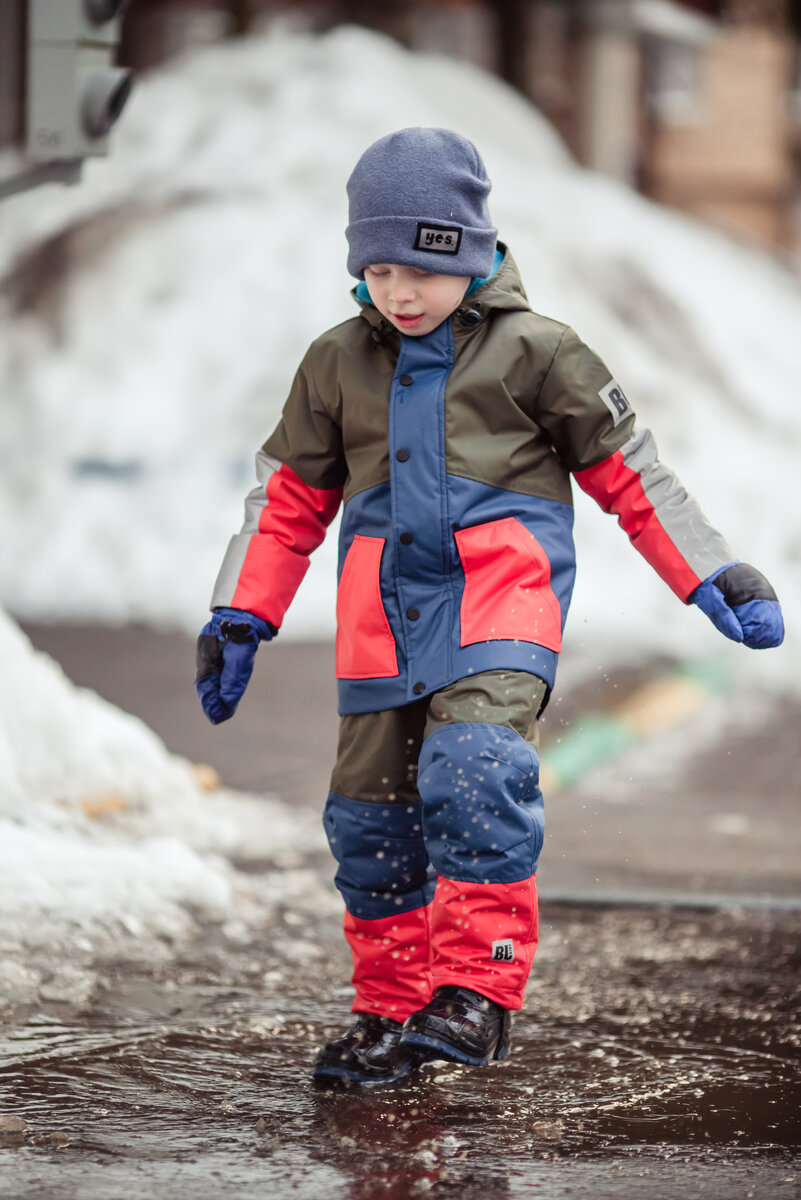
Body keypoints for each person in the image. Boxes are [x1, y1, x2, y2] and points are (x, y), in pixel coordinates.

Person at [195, 127, 784, 1088]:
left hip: (497, 605)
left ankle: (476, 992)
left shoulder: (540, 353)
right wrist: (239, 615)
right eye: (378, 269)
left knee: (474, 769)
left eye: (422, 268)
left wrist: (712, 573)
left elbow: (633, 476)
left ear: (470, 250)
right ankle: (389, 1010)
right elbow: (287, 500)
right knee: (368, 821)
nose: (400, 293)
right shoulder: (335, 363)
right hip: (379, 622)